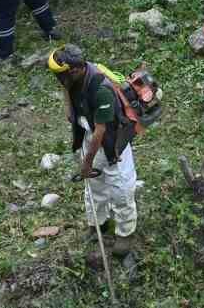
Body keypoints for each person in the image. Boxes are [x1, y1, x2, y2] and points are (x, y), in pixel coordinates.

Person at [48, 45, 138, 253]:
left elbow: (101, 132)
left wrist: (86, 163)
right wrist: (69, 109)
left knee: (120, 189)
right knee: (94, 187)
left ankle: (125, 233)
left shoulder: (101, 89)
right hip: (90, 135)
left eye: (62, 76)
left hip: (112, 141)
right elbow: (67, 89)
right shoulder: (71, 78)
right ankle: (99, 223)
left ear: (76, 70)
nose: (60, 81)